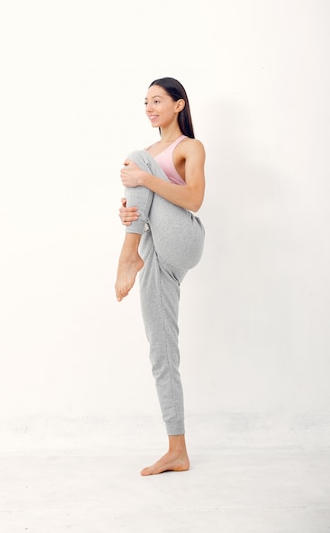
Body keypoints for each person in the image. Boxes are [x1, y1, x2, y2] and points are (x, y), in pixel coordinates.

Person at [115, 77, 205, 476]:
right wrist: (131, 213)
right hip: (155, 245)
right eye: (145, 102)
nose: (150, 108)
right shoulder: (148, 155)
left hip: (184, 237)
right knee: (161, 350)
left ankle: (127, 253)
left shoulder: (189, 147)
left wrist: (145, 180)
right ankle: (177, 450)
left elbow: (194, 199)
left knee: (136, 161)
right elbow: (145, 200)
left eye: (157, 100)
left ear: (179, 105)